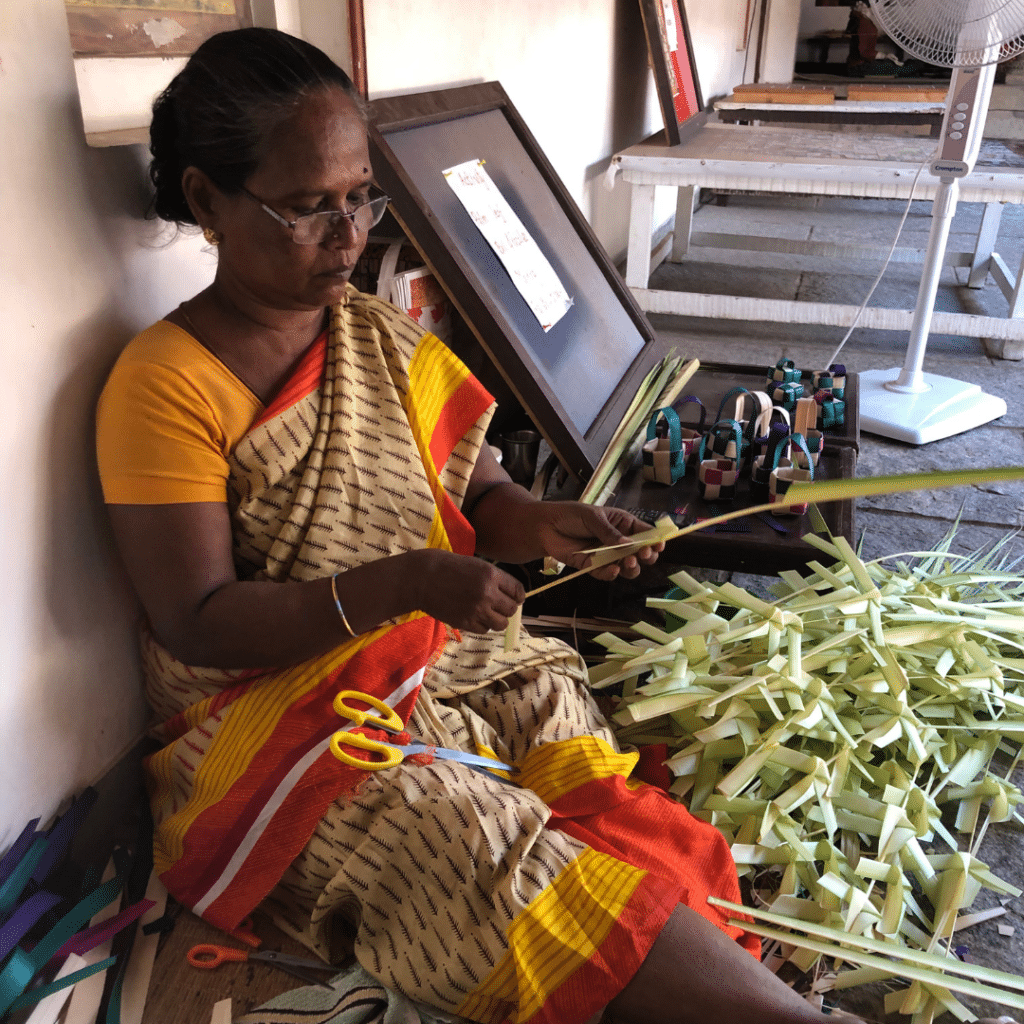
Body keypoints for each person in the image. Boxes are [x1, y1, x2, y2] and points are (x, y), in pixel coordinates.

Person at [95, 28, 872, 1024]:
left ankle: (679, 963)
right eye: (307, 206)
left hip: (425, 662)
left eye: (358, 195)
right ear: (206, 200)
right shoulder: (162, 385)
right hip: (269, 728)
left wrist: (548, 525)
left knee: (558, 727)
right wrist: (400, 588)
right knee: (460, 843)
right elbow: (198, 619)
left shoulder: (372, 333)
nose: (350, 234)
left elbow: (481, 493)